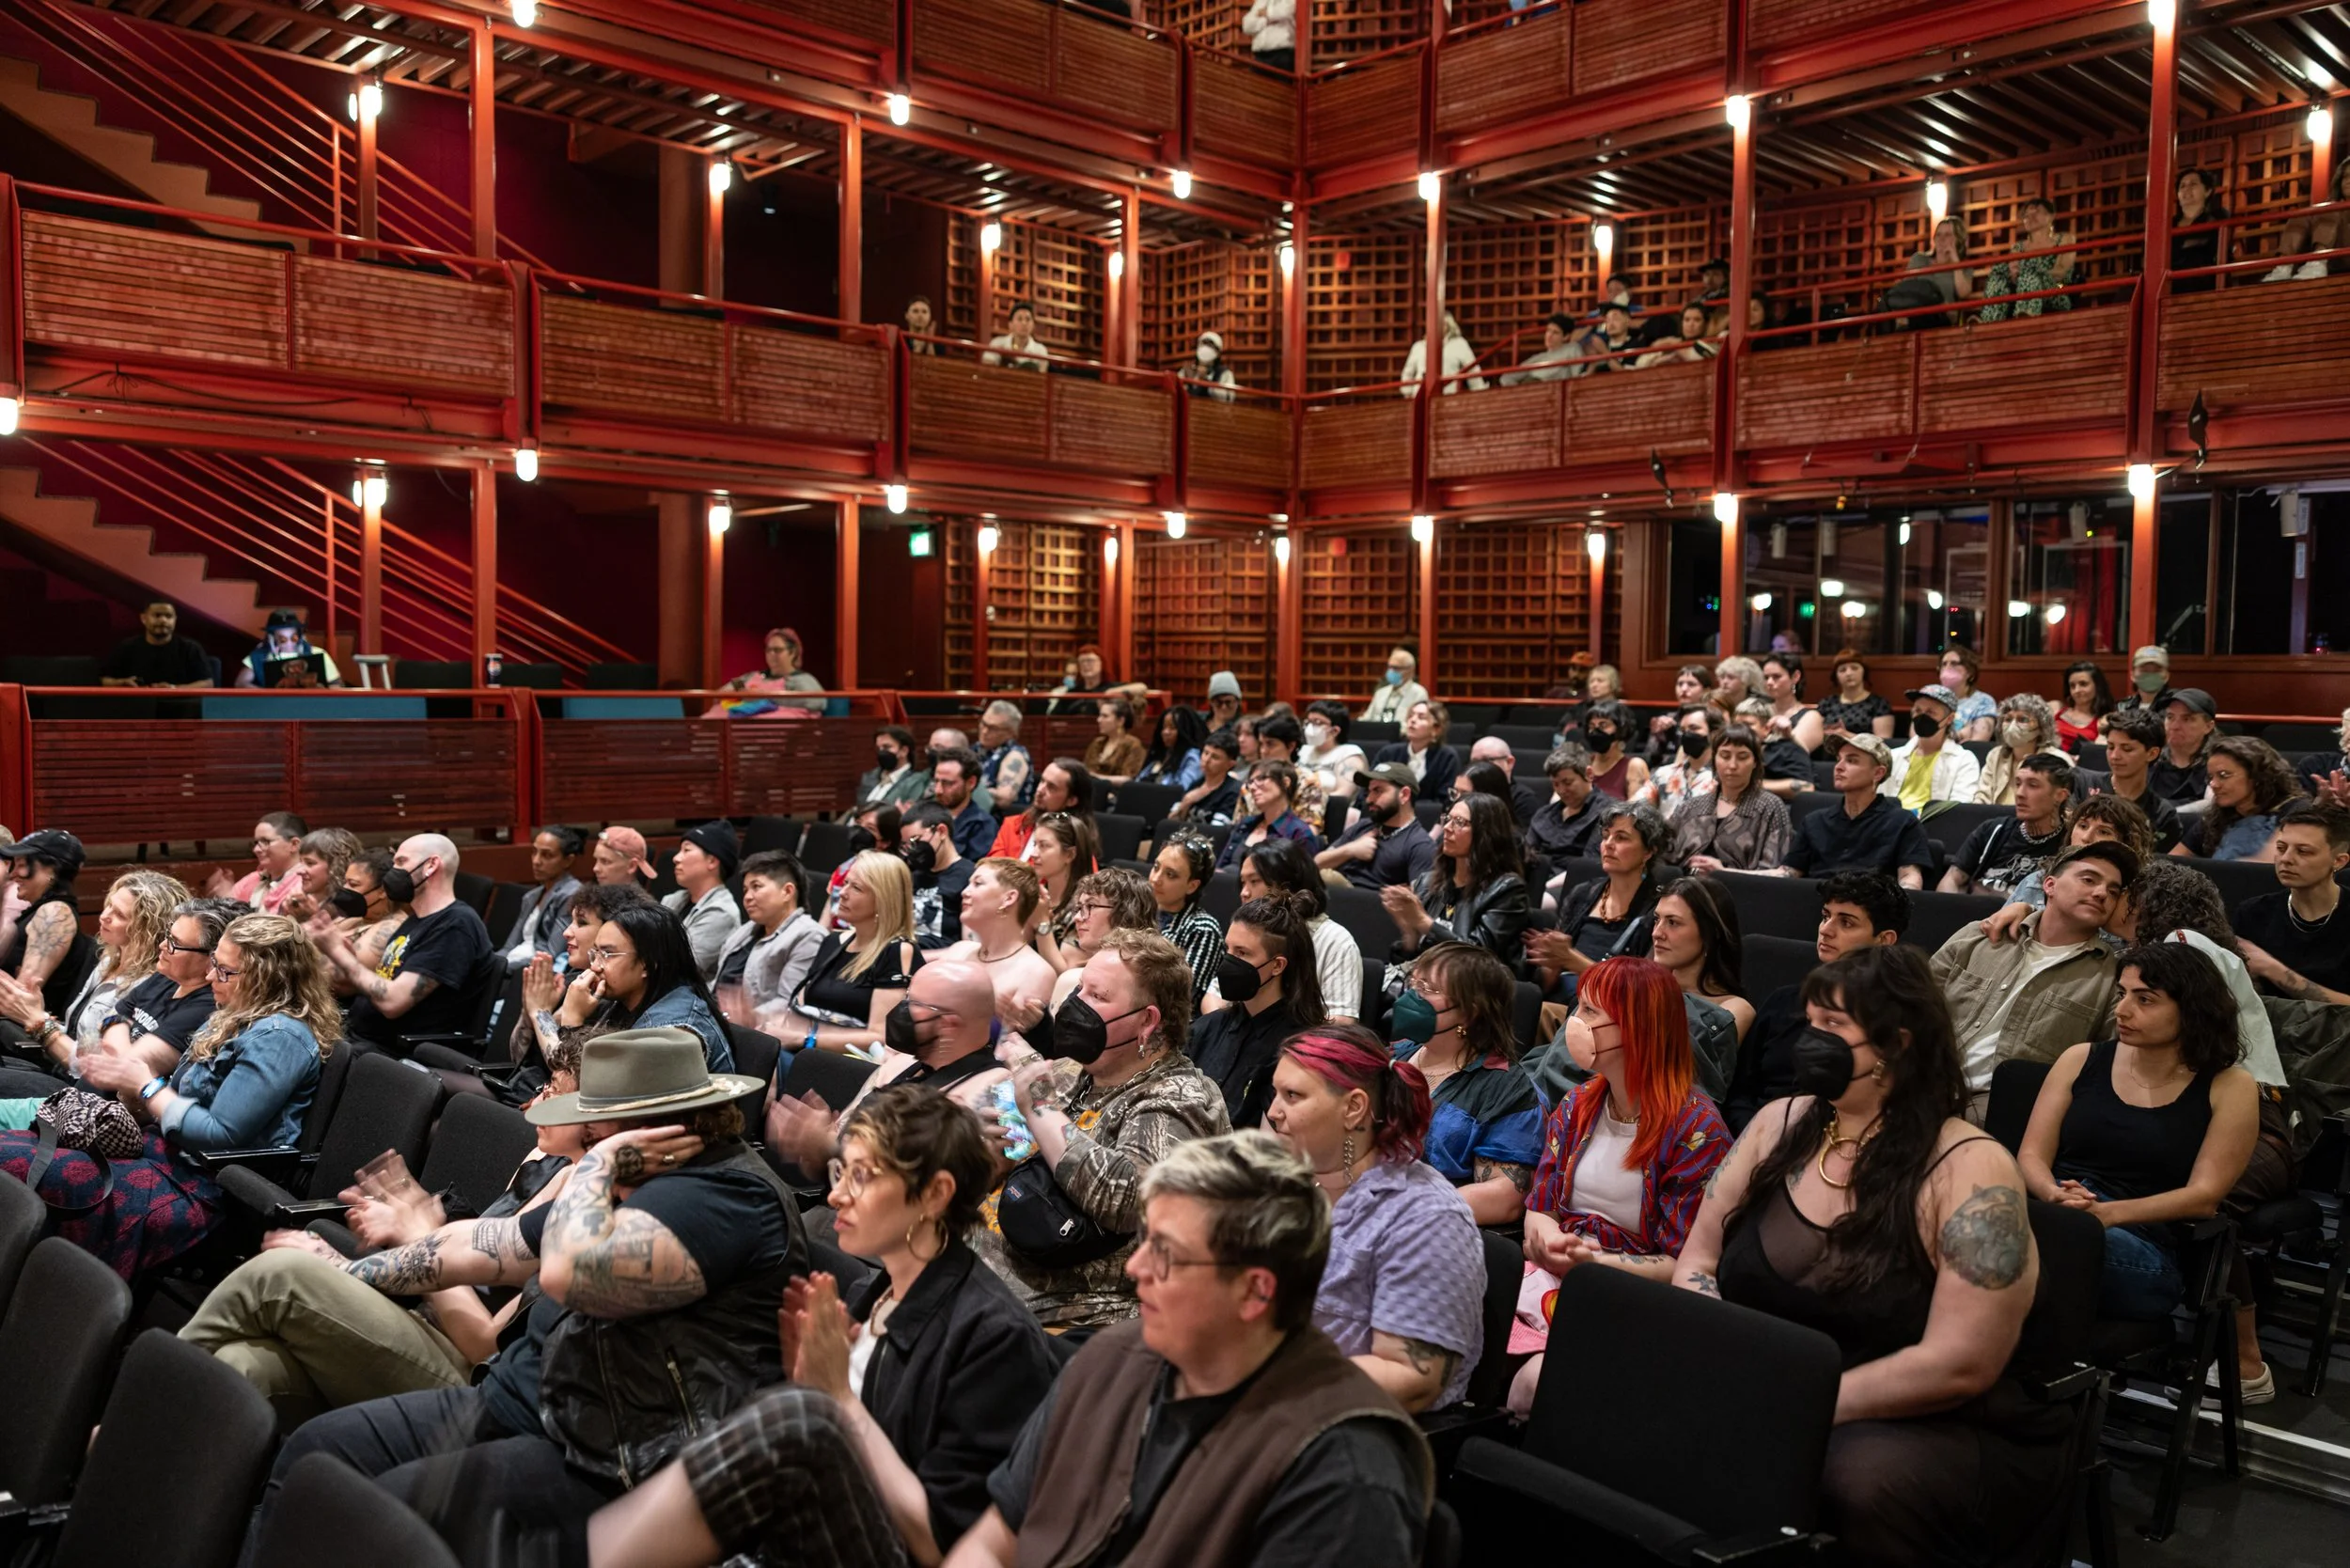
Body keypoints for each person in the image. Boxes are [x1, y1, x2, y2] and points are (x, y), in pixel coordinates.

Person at [247, 1027, 796, 1564]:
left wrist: (599, 1168)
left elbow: (567, 1274)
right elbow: (480, 1247)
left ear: (635, 1129)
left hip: (611, 1458)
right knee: (312, 1455)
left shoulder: (729, 1197)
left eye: (591, 1123)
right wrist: (346, 1270)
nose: (581, 1137)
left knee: (381, 1519)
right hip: (520, 1399)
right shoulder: (626, 1180)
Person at [1674, 944, 2057, 1568]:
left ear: (1896, 1046)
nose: (1809, 1041)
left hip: (1923, 1417)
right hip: (1773, 1379)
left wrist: (1803, 1401)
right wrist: (1724, 1365)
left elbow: (1961, 1361)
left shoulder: (1971, 1166)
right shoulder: (1778, 1122)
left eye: (1833, 1028)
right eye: (1811, 1022)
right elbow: (1698, 1260)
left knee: (1851, 1481)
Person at [589, 1083, 1060, 1568]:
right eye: (840, 1171)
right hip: (810, 1534)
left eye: (861, 1176)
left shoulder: (994, 1338)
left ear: (936, 1194)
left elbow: (946, 1544)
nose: (835, 1195)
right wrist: (811, 1384)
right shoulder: (873, 1294)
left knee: (795, 1419)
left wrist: (836, 1401)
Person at [948, 1131, 1434, 1568]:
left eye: (1165, 1252)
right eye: (1143, 1241)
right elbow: (994, 1543)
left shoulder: (1344, 1476)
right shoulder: (1110, 1357)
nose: (1136, 1268)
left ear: (1255, 1292)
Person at [1, 912, 334, 1281]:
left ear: (267, 978)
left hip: (205, 1186)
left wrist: (146, 1085)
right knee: (13, 1152)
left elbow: (220, 1136)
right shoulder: (233, 1015)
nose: (210, 978)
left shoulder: (280, 1038)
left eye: (224, 971)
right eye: (214, 966)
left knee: (18, 1166)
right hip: (161, 1152)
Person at [1507, 956, 1731, 1418]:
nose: (1575, 1022)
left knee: (1532, 1382)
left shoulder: (1697, 1130)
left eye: (1591, 1012)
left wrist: (1593, 1264)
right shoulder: (1578, 1103)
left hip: (1629, 1296)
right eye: (1579, 1008)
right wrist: (1550, 1243)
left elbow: (1682, 1264)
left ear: (1636, 1028)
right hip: (1555, 1274)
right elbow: (1540, 1205)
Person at [974, 931, 1231, 1331]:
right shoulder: (1073, 1071)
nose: (1075, 1004)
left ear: (1147, 1021)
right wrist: (994, 1155)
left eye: (1098, 996)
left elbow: (1131, 1198)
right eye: (1080, 988)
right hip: (984, 1279)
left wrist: (1039, 1108)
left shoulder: (1180, 1097)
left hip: (1067, 1320)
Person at [2018, 944, 2259, 1320]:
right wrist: (2052, 1195)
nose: (2121, 1010)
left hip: (2145, 1248)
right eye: (2122, 994)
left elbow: (2203, 1197)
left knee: (2016, 1239)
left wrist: (2106, 1214)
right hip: (2057, 1214)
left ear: (2192, 1009)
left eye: (2145, 1000)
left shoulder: (2230, 1086)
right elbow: (2031, 1155)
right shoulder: (2080, 1058)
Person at [1255, 1025, 1482, 1418]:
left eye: (1293, 1096)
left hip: (1345, 1434)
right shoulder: (1288, 1187)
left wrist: (1264, 1383)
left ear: (1353, 1108)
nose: (1274, 1112)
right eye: (1276, 1093)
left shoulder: (1426, 1219)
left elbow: (1412, 1378)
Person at [1932, 840, 2136, 1101]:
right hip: (1921, 1083)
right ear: (2049, 886)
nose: (2101, 893)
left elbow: (2107, 1070)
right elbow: (1913, 1005)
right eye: (2088, 880)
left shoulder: (2111, 979)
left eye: (2113, 891)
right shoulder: (1981, 935)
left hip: (1998, 1113)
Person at [1724, 871, 1907, 1132]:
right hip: (1753, 1136)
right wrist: (1756, 1135)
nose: (1826, 929)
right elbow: (1739, 1090)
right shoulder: (1783, 1001)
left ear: (1885, 940)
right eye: (1825, 916)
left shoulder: (1894, 1018)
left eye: (1846, 922)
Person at [1389, 940, 1540, 1220]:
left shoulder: (1504, 1087)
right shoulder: (1396, 1053)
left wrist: (1406, 1208)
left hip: (1431, 1227)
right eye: (1414, 983)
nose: (1413, 996)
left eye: (1428, 989)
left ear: (1470, 1013)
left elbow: (1507, 1197)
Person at [0, 868, 185, 1076]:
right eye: (109, 906)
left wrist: (38, 1022)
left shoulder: (149, 985)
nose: (105, 916)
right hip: (58, 1067)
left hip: (81, 1090)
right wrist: (37, 1012)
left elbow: (97, 1068)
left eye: (119, 915)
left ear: (146, 931)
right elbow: (78, 1039)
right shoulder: (108, 960)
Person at [316, 834, 494, 1048]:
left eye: (401, 862)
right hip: (358, 1039)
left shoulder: (455, 925)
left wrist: (338, 953)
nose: (392, 873)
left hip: (395, 1056)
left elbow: (392, 1002)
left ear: (431, 866)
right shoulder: (415, 921)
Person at [1201, 839, 1363, 1026]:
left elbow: (1343, 1021)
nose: (1244, 893)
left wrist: (1276, 1038)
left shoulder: (1335, 941)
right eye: (1242, 882)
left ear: (1287, 883)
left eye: (1254, 881)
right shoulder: (1244, 933)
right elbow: (1213, 996)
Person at [783, 851, 923, 1054]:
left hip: (849, 1067)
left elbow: (880, 1036)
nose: (843, 892)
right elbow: (802, 1010)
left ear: (883, 900)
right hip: (808, 1053)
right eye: (846, 883)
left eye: (856, 887)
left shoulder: (898, 951)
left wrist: (808, 1039)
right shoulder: (832, 941)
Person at [1386, 791, 1528, 977]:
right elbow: (1406, 964)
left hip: (1473, 993)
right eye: (1448, 819)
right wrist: (1410, 936)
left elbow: (1478, 957)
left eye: (1459, 822)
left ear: (1485, 833)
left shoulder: (1507, 890)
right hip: (1424, 984)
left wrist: (1424, 922)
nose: (1447, 828)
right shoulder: (1427, 882)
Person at [1531, 800, 1663, 994]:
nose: (1608, 845)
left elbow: (1639, 990)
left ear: (1648, 851)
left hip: (1610, 1009)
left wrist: (1572, 960)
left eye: (1621, 838)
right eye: (1605, 836)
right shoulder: (1582, 893)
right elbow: (1547, 981)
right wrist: (1550, 961)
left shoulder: (1658, 908)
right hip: (1564, 1000)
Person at [2234, 800, 2350, 1004]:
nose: (2286, 859)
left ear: (2339, 861)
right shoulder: (2253, 914)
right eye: (2281, 848)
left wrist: (2273, 969)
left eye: (2303, 851)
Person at [1779, 736, 1934, 888]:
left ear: (1878, 773)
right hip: (1817, 903)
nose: (1839, 767)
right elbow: (1788, 872)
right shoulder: (1814, 821)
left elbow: (1910, 878)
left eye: (1852, 760)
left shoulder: (1903, 823)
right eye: (1838, 759)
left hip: (1873, 906)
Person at [1649, 876, 1752, 1086]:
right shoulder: (1646, 986)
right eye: (1656, 919)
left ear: (1709, 934)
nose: (1657, 933)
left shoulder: (1734, 1009)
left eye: (1673, 923)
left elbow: (1690, 1080)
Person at [713, 850, 824, 1033]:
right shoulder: (747, 930)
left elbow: (790, 1003)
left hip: (754, 1032)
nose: (747, 897)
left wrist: (747, 1016)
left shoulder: (808, 936)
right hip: (718, 1020)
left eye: (756, 887)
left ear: (787, 891)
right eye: (745, 890)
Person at [1942, 752, 2072, 895]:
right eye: (2017, 784)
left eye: (2033, 785)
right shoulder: (1993, 830)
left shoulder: (2069, 842)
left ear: (2059, 796)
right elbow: (1952, 879)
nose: (2020, 793)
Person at [1670, 724, 1791, 873]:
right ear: (1714, 759)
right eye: (1725, 756)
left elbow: (1781, 873)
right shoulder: (1690, 807)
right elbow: (1663, 860)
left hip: (1742, 892)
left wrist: (1722, 872)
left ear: (1755, 763)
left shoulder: (1770, 807)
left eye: (1742, 757)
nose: (1732, 765)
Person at [2076, 706, 2186, 854]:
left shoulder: (2163, 814)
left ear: (2152, 753)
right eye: (2110, 747)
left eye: (2127, 749)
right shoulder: (2082, 784)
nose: (2115, 756)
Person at [0, 829, 87, 1011]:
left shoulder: (54, 913)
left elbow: (21, 997)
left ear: (52, 868)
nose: (13, 874)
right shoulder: (40, 910)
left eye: (22, 865)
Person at [1317, 762, 1434, 894]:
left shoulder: (1420, 844)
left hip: (1373, 909)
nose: (1369, 799)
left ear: (1404, 795)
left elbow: (1421, 903)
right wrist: (1350, 850)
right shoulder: (1364, 826)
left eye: (1378, 791)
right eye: (1369, 791)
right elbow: (1316, 863)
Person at [2189, 735, 2303, 861]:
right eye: (2211, 777)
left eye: (2224, 775)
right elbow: (2173, 863)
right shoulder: (2215, 816)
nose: (2213, 785)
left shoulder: (2295, 809)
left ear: (2256, 776)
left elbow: (2267, 864)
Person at [662, 821, 744, 984]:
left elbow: (678, 967)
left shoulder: (721, 913)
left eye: (686, 850)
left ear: (712, 861)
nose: (676, 858)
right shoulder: (673, 899)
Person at [1148, 834, 1225, 1005]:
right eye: (1156, 867)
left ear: (1192, 886)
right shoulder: (1140, 910)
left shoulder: (1203, 928)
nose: (1155, 879)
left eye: (1170, 874)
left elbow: (1183, 996)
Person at [1977, 195, 2076, 321]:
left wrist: (2035, 273)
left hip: (2058, 288)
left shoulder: (2064, 239)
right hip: (2022, 289)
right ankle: (1989, 319)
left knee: (2030, 275)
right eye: (2026, 215)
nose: (2031, 216)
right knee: (1998, 276)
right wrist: (2014, 274)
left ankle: (2028, 314)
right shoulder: (2018, 247)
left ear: (2051, 216)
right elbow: (2013, 273)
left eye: (2037, 211)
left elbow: (2062, 271)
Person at [1888, 683, 1983, 808]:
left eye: (1930, 712)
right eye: (1918, 710)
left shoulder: (1964, 760)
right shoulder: (1892, 756)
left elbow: (1959, 807)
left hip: (1932, 824)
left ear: (1949, 719)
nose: (1922, 717)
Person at [1216, 760, 1320, 870]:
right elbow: (1220, 868)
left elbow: (1302, 881)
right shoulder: (1246, 824)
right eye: (1251, 782)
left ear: (1285, 782)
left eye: (1261, 779)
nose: (1252, 787)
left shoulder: (1299, 833)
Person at [2259, 155, 2350, 280]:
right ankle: (2284, 266)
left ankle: (2318, 260)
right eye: (2345, 176)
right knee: (2302, 215)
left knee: (2332, 210)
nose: (2348, 181)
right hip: (2335, 256)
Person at [1028, 814, 1103, 964]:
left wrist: (1042, 924)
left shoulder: (1087, 907)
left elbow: (1066, 974)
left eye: (1044, 846)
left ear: (1069, 854)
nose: (1033, 854)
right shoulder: (1038, 894)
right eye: (1034, 845)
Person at [902, 803, 977, 951]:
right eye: (906, 845)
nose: (912, 851)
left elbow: (970, 947)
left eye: (915, 841)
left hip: (941, 962)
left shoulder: (970, 876)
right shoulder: (912, 875)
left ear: (941, 831)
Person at [988, 758, 1093, 862]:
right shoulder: (1012, 825)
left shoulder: (1075, 849)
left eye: (1051, 787)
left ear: (1071, 800)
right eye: (1042, 781)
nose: (1040, 790)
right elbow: (991, 868)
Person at [708, 627, 823, 717]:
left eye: (777, 650)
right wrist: (742, 693)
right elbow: (722, 692)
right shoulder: (752, 676)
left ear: (792, 652)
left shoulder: (801, 679)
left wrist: (765, 698)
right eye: (768, 650)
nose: (771, 654)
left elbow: (816, 702)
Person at [1525, 742, 1608, 861]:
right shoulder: (1544, 815)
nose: (1561, 791)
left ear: (1589, 774)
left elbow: (1590, 866)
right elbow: (1526, 856)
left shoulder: (1609, 813)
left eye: (1567, 783)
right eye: (1556, 784)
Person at [101, 598, 212, 687]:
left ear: (175, 620)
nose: (163, 620)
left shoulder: (190, 648)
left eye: (169, 616)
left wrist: (174, 689)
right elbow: (105, 680)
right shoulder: (126, 647)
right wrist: (122, 683)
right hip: (137, 706)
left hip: (180, 707)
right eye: (157, 615)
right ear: (144, 618)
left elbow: (208, 683)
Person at [1973, 695, 2060, 807]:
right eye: (2008, 719)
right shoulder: (1996, 755)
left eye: (2023, 719)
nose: (2012, 725)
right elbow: (1981, 798)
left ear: (2041, 727)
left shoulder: (2056, 760)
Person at [217, 811, 308, 915]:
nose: (256, 850)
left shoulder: (306, 884)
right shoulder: (252, 880)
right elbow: (224, 914)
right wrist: (223, 898)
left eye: (265, 842)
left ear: (294, 844)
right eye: (256, 843)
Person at [1637, 705, 1718, 817]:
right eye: (1683, 730)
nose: (1687, 734)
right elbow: (1635, 807)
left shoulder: (1725, 777)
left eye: (1694, 728)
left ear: (1714, 734)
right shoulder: (1664, 774)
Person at [2147, 686, 2219, 804]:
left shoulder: (2218, 764)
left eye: (2187, 719)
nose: (2175, 726)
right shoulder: (2150, 758)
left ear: (2208, 726)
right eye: (2170, 717)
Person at [235, 608, 341, 687]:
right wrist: (265, 695)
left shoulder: (317, 653)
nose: (289, 644)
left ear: (300, 636)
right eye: (283, 640)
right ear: (272, 638)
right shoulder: (259, 656)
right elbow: (241, 683)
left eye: (293, 638)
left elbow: (337, 684)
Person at [1371, 698, 1460, 792]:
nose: (1412, 720)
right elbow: (1368, 789)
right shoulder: (1388, 753)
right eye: (1410, 716)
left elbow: (1445, 798)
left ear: (1436, 729)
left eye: (1421, 717)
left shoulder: (1447, 757)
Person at [280, 826, 363, 926]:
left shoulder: (352, 908)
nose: (299, 871)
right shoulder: (301, 902)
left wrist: (311, 918)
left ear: (336, 865)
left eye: (310, 863)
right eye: (300, 862)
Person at [930, 747, 999, 863]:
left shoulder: (982, 825)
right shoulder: (926, 814)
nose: (938, 790)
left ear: (970, 783)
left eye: (947, 783)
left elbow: (974, 871)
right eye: (936, 781)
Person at [1818, 647, 1896, 748]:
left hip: (1866, 759)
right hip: (1829, 756)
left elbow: (1883, 746)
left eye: (1854, 668)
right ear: (1836, 676)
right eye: (1842, 670)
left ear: (1864, 672)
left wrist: (1847, 735)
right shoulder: (1826, 703)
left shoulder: (1879, 704)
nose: (1849, 673)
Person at [1398, 310, 1485, 397]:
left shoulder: (1459, 344)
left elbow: (1473, 371)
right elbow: (1407, 374)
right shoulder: (1418, 347)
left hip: (1449, 397)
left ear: (1448, 325)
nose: (1437, 326)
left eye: (1442, 324)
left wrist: (1479, 392)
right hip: (1421, 398)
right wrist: (1408, 394)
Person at [1578, 699, 1648, 801]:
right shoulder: (1581, 763)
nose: (1596, 731)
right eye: (1592, 726)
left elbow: (1637, 811)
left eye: (1603, 725)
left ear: (1620, 729)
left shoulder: (1634, 766)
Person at [1300, 701, 1368, 804]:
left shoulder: (1349, 754)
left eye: (1317, 722)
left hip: (1331, 813)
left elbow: (1343, 794)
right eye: (1308, 722)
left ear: (1335, 731)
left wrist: (1310, 804)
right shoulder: (1303, 750)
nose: (1310, 727)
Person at [975, 700, 1035, 815]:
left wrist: (966, 790)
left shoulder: (1015, 755)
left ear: (1012, 733)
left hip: (1000, 820)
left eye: (993, 728)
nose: (985, 731)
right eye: (983, 723)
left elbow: (1004, 799)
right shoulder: (977, 749)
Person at [1135, 705, 1208, 792]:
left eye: (1172, 728)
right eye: (1164, 727)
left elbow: (1183, 788)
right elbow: (1138, 782)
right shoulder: (1160, 754)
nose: (1166, 732)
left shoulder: (1193, 756)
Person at [1498, 313, 1582, 384]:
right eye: (1548, 331)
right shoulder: (1538, 358)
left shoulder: (1572, 349)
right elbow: (1506, 378)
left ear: (1566, 337)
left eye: (1555, 332)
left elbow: (1578, 378)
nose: (1549, 336)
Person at [860, 726, 932, 808]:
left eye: (887, 747)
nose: (881, 752)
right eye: (879, 748)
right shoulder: (870, 777)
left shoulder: (916, 781)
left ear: (904, 751)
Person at [1634, 302, 1720, 367]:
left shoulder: (1711, 344)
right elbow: (1639, 363)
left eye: (1697, 320)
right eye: (1687, 320)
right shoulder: (1669, 342)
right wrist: (1657, 358)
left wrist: (1677, 350)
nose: (1691, 325)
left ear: (1705, 324)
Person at [2054, 661, 2113, 754]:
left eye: (2083, 684)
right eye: (2072, 686)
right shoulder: (2057, 710)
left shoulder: (2105, 720)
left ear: (2097, 686)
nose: (2076, 690)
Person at [1085, 698, 1146, 784]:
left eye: (1105, 716)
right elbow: (1087, 770)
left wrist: (1097, 778)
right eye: (1099, 715)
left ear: (1120, 721)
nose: (1099, 720)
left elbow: (1129, 779)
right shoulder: (1098, 743)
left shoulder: (1133, 745)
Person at [1360, 647, 1429, 722]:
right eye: (1389, 667)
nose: (1391, 671)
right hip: (1378, 732)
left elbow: (1418, 725)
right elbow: (1366, 719)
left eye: (1396, 668)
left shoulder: (1419, 693)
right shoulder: (1381, 693)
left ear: (1410, 670)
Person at [981, 301, 1051, 371]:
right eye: (1019, 319)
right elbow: (987, 369)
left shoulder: (1040, 350)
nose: (1024, 323)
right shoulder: (997, 344)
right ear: (1010, 324)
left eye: (1028, 319)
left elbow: (1042, 376)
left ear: (1033, 325)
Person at [2113, 644, 2175, 720]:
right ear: (2132, 675)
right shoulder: (2122, 707)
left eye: (2157, 670)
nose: (2150, 675)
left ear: (2167, 676)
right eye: (2144, 670)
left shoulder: (2176, 706)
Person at [1574, 303, 1638, 371]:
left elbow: (1628, 376)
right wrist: (1593, 362)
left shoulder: (1635, 344)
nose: (1611, 324)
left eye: (1616, 319)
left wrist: (1604, 352)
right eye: (1607, 320)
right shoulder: (1601, 344)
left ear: (1627, 321)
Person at [1180, 329, 1240, 400]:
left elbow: (1229, 398)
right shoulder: (1187, 371)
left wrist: (1206, 381)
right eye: (1203, 344)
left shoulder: (1225, 373)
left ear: (1218, 354)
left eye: (1211, 346)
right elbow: (1177, 392)